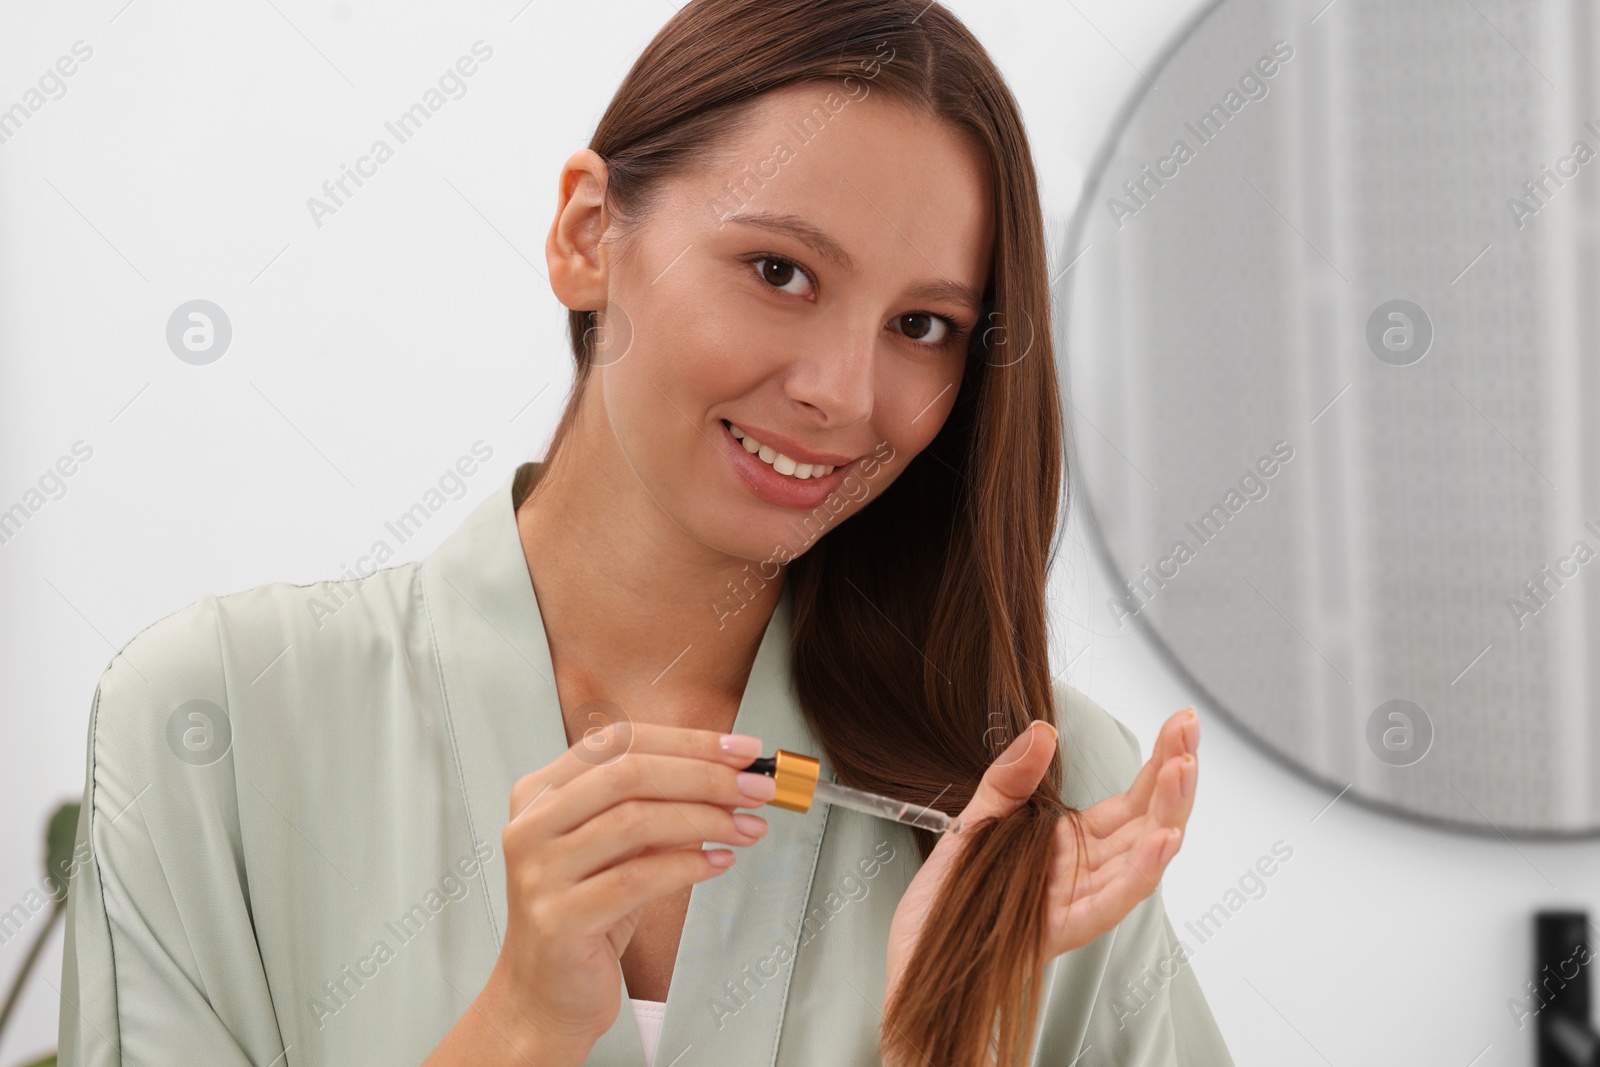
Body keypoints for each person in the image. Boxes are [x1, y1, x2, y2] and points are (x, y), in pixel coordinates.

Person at [58, 1, 1234, 1064]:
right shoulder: (215, 721)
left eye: (922, 324)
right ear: (586, 234)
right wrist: (521, 1024)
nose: (842, 390)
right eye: (778, 269)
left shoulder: (1045, 797)